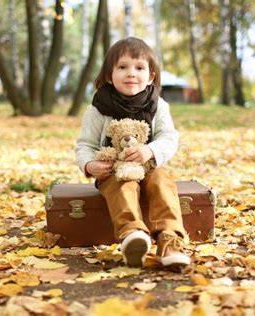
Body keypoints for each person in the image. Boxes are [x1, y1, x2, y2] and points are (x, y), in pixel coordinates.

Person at [75, 37, 190, 268]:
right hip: (113, 170)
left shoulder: (159, 106)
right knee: (122, 185)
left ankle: (169, 240)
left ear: (151, 77)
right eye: (122, 67)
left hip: (149, 167)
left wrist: (150, 150)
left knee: (161, 181)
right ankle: (132, 237)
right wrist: (89, 165)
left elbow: (169, 137)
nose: (131, 73)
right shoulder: (98, 109)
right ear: (109, 75)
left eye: (139, 68)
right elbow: (85, 144)